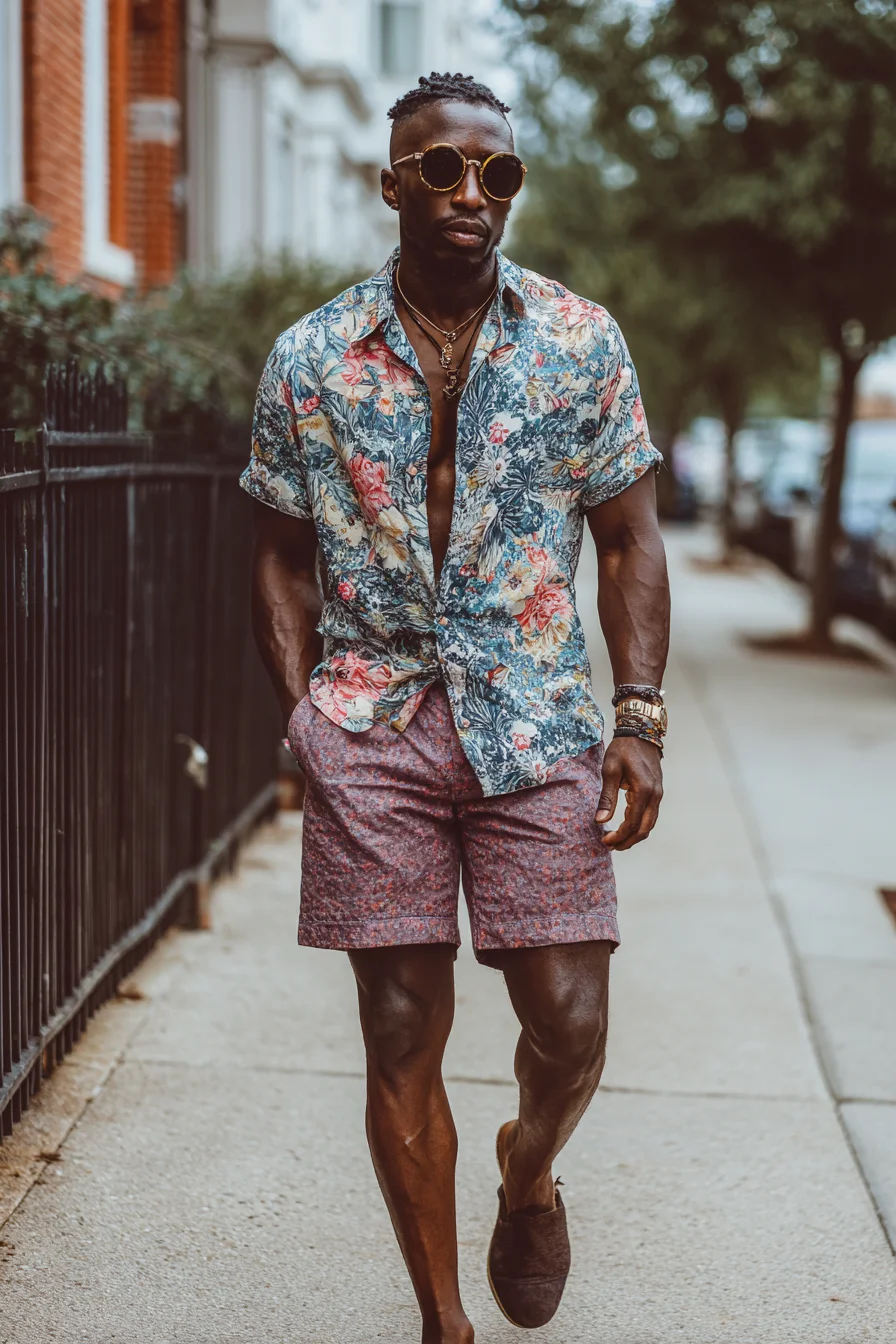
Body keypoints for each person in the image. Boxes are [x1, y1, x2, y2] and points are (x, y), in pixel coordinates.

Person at [243, 72, 670, 1344]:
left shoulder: (579, 340)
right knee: (395, 1028)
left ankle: (526, 1169)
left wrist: (636, 714)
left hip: (534, 719)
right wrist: (301, 715)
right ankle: (444, 1325)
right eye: (441, 169)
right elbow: (271, 549)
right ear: (391, 182)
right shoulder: (312, 359)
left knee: (571, 1019)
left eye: (495, 172)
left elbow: (631, 537)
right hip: (370, 719)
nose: (471, 193)